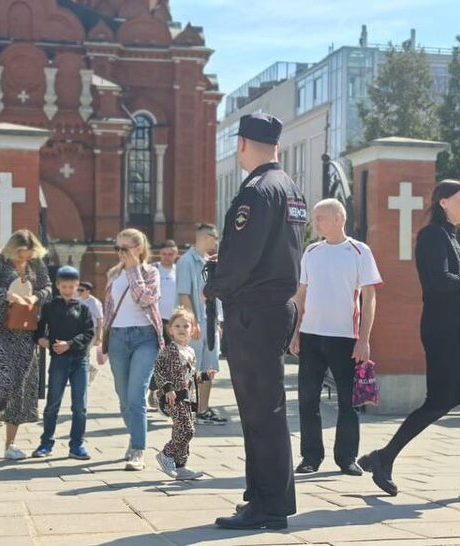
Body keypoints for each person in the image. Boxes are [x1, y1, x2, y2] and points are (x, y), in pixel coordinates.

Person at [358, 180, 460, 500]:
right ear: (443, 202)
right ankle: (383, 457)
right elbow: (438, 283)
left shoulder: (450, 236)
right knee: (440, 401)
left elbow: (459, 285)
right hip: (443, 333)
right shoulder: (432, 236)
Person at [205, 113, 307, 530]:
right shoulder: (289, 187)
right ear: (276, 146)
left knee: (259, 411)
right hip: (275, 305)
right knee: (268, 408)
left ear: (242, 144)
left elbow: (244, 258)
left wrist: (215, 283)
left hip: (254, 310)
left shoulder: (257, 190)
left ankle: (268, 505)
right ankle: (268, 499)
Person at [290, 199, 382, 477]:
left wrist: (364, 339)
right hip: (310, 336)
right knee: (307, 400)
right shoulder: (311, 251)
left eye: (320, 217)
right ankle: (310, 457)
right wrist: (295, 332)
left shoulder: (359, 251)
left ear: (338, 218)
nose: (315, 222)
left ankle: (347, 458)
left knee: (348, 401)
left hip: (345, 338)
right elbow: (301, 295)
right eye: (315, 217)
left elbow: (369, 297)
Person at [0, 230, 52, 460]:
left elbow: (48, 288)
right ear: (12, 248)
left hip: (25, 331)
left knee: (20, 385)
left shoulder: (36, 263)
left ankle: (10, 445)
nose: (25, 258)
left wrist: (35, 297)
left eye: (29, 254)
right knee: (2, 381)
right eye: (21, 254)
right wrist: (9, 295)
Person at [100, 228, 162, 471]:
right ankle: (135, 434)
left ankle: (138, 450)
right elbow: (108, 309)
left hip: (144, 337)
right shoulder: (113, 274)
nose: (120, 253)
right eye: (117, 248)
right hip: (117, 337)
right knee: (124, 398)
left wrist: (134, 268)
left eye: (124, 248)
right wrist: (102, 341)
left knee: (137, 395)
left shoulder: (150, 272)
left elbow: (145, 299)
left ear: (139, 248)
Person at [32, 266, 95, 459]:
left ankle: (77, 445)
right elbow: (39, 330)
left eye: (72, 286)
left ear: (77, 286)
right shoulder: (50, 307)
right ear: (58, 285)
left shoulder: (83, 309)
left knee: (79, 406)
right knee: (53, 403)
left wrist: (69, 344)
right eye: (64, 286)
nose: (68, 290)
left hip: (79, 361)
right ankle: (45, 443)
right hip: (58, 361)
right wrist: (41, 340)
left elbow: (89, 334)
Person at [176, 223, 227, 426]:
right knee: (191, 369)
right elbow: (184, 294)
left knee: (209, 369)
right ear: (206, 237)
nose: (216, 242)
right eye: (215, 238)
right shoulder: (186, 261)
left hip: (211, 322)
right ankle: (186, 411)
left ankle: (202, 410)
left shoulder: (210, 261)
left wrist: (218, 321)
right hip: (196, 324)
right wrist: (193, 322)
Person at [153, 308, 203, 481]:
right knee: (187, 430)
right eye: (177, 326)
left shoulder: (190, 351)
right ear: (171, 330)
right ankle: (166, 454)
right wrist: (168, 388)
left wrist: (204, 376)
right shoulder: (170, 350)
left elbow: (190, 375)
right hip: (173, 398)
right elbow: (158, 370)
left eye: (186, 326)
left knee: (179, 430)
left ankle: (181, 467)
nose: (182, 329)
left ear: (193, 329)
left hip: (187, 398)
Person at [148, 240, 179, 411]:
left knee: (170, 359)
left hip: (174, 322)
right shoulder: (152, 270)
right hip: (155, 320)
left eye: (171, 254)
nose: (167, 257)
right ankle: (154, 389)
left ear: (176, 255)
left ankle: (158, 390)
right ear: (159, 254)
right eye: (164, 254)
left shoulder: (179, 271)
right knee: (155, 357)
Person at [77, 282, 104, 383]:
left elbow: (100, 319)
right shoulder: (77, 301)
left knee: (84, 352)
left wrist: (99, 336)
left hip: (91, 331)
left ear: (88, 291)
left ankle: (84, 374)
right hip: (79, 331)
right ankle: (90, 369)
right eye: (78, 290)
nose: (79, 292)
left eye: (82, 290)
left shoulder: (94, 303)